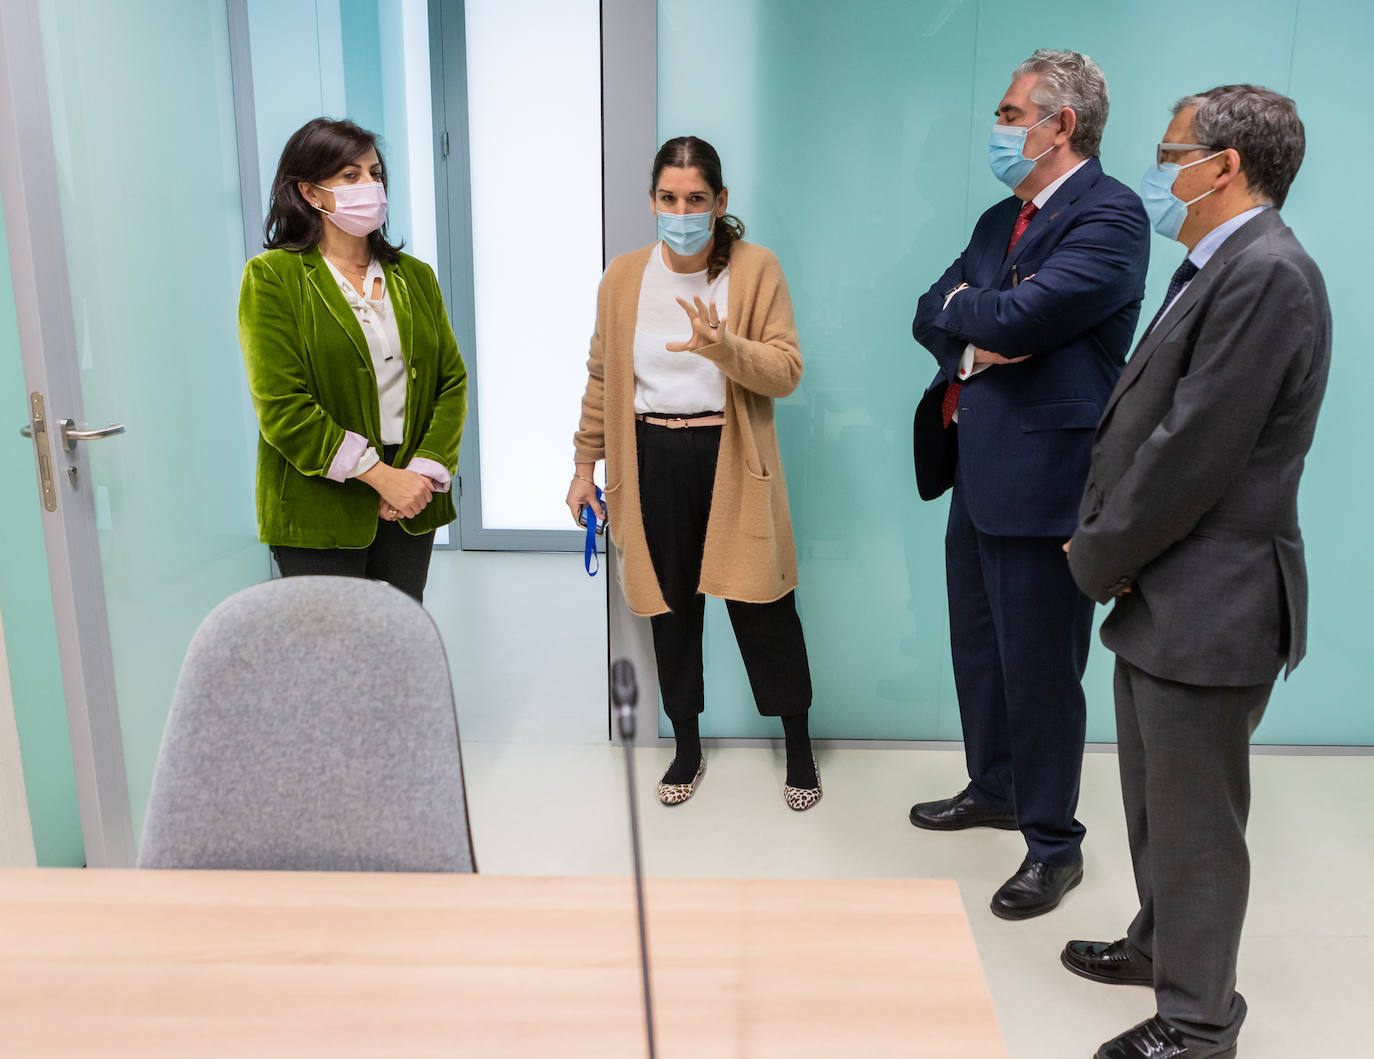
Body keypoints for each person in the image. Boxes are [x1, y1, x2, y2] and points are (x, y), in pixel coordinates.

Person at [1062, 86, 1330, 1059]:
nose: (1158, 167)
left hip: (1211, 601)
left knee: (1197, 827)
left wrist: (1100, 553)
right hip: (1168, 592)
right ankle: (1157, 945)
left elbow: (1192, 452)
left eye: (1171, 151)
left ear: (1223, 167)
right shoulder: (1215, 264)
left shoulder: (1267, 275)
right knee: (1152, 803)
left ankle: (1199, 1020)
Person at [908, 50, 1150, 918]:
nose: (1001, 128)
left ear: (1061, 125)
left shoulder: (1113, 216)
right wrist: (976, 336)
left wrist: (983, 312)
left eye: (1013, 113)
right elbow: (929, 308)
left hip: (1049, 478)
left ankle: (1053, 844)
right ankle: (996, 786)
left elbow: (1026, 314)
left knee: (1044, 667)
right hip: (976, 469)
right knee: (978, 647)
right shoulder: (996, 217)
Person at [568, 136, 819, 810]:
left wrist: (723, 347)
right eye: (670, 198)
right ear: (653, 200)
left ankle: (798, 746)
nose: (682, 210)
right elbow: (601, 380)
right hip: (650, 458)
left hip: (730, 457)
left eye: (696, 199)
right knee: (671, 608)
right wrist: (582, 465)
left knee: (764, 607)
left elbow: (786, 371)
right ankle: (687, 744)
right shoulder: (623, 277)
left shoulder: (755, 269)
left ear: (720, 202)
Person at [239, 118, 467, 603]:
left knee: (399, 642)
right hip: (318, 508)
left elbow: (451, 381)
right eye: (350, 175)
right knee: (334, 660)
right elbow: (282, 405)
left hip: (411, 497)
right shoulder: (274, 278)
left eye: (375, 173)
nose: (370, 187)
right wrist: (378, 475)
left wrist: (419, 474)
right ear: (310, 192)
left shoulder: (415, 277)